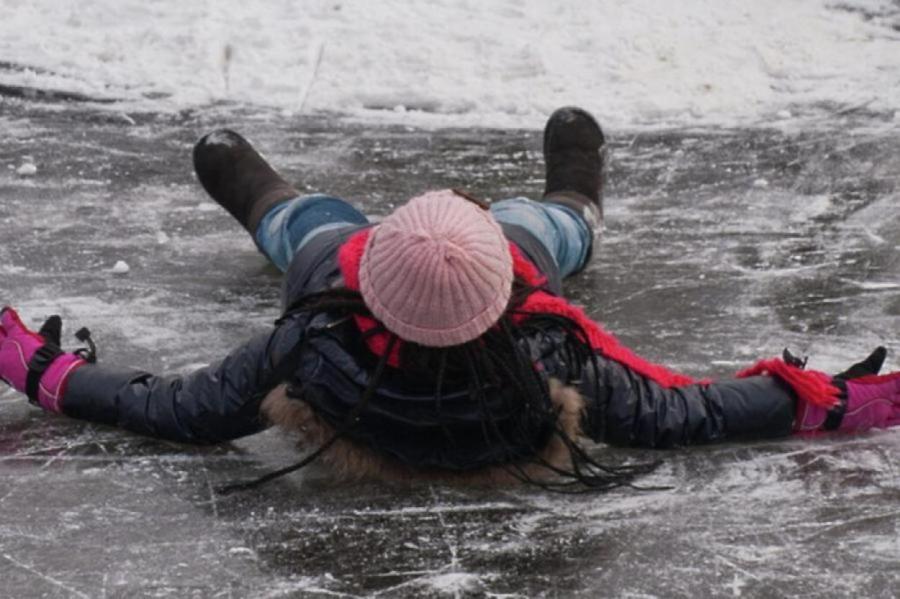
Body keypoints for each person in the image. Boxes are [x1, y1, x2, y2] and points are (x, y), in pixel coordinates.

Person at [1, 108, 898, 492]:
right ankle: (575, 197)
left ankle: (264, 196)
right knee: (543, 227)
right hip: (486, 272)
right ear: (505, 294)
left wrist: (36, 366)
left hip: (338, 279)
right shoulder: (548, 351)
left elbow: (179, 409)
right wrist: (835, 398)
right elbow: (690, 412)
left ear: (372, 275)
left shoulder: (315, 339)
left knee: (307, 227)